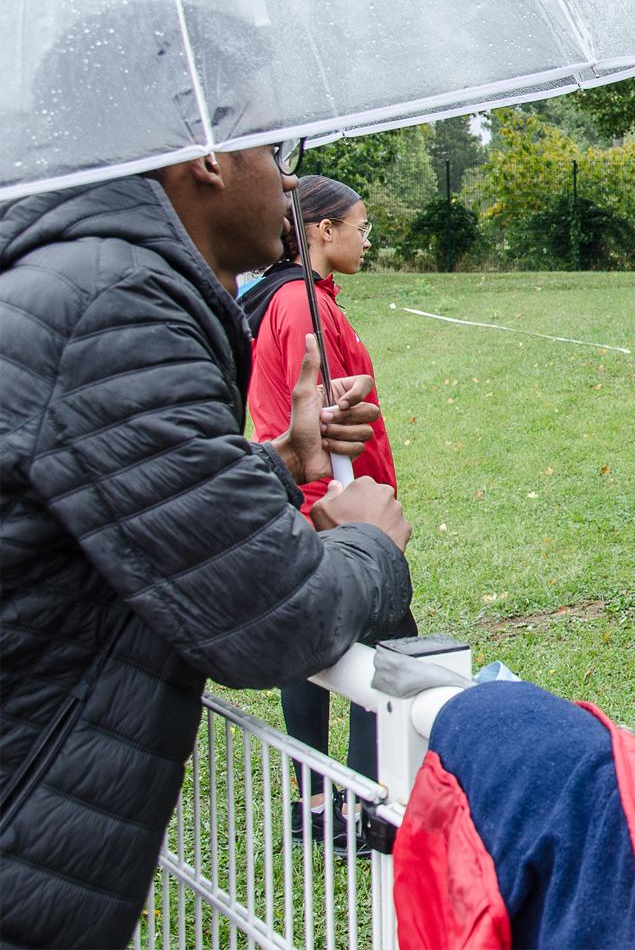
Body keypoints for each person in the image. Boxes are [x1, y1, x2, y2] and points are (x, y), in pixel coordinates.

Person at [0, 132, 414, 946]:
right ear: (209, 161)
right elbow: (271, 616)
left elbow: (116, 490)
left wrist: (286, 458)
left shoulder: (76, 280)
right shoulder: (115, 301)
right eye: (272, 152)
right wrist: (370, 547)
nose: (288, 181)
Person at [246, 174, 415, 850]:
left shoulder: (310, 299)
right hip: (329, 514)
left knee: (321, 654)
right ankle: (348, 808)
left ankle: (318, 804)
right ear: (322, 230)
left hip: (333, 508)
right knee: (388, 656)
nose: (366, 239)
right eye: (359, 225)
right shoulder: (297, 306)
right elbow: (303, 421)